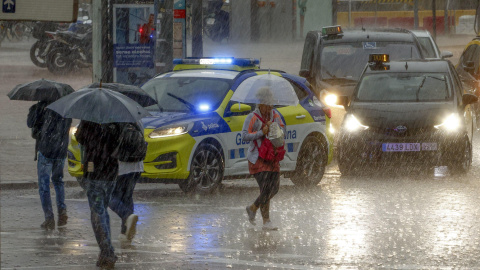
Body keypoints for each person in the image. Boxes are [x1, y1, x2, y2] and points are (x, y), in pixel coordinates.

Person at [75, 120, 120, 269]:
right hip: (111, 173)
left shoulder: (90, 120)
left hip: (95, 172)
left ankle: (107, 252)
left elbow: (80, 138)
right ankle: (105, 252)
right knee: (102, 211)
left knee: (98, 213)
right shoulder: (117, 119)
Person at [242, 87, 286, 231]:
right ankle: (266, 221)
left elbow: (282, 131)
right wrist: (261, 132)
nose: (270, 107)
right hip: (258, 158)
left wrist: (273, 127)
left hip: (272, 157)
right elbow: (245, 135)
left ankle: (253, 207)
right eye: (267, 103)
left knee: (274, 188)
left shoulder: (275, 116)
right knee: (266, 187)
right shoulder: (252, 117)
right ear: (260, 103)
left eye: (271, 103)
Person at [27, 101, 72, 230]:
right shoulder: (65, 108)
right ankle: (62, 210)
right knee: (58, 181)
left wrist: (36, 108)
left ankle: (49, 218)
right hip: (60, 152)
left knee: (44, 185)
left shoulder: (41, 108)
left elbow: (30, 123)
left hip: (46, 150)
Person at [108, 121, 144, 245]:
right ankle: (125, 233)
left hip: (120, 166)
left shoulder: (114, 121)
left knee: (109, 197)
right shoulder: (136, 120)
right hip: (137, 165)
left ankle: (127, 216)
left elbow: (110, 145)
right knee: (127, 197)